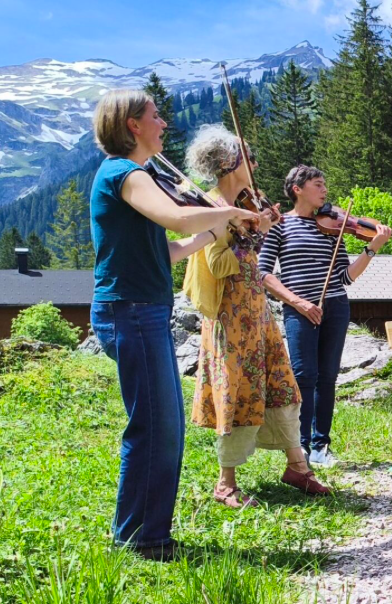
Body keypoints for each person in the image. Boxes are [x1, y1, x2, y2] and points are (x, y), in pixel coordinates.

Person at [88, 89, 259, 560]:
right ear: (132, 126)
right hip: (131, 311)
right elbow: (176, 219)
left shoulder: (135, 176)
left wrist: (218, 229)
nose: (164, 123)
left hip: (144, 310)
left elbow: (166, 250)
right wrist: (230, 211)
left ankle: (145, 534)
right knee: (155, 427)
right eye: (155, 116)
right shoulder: (124, 173)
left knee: (163, 426)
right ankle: (141, 538)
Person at [182, 125, 330, 508]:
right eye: (249, 157)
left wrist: (261, 226)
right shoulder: (213, 206)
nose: (256, 164)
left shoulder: (247, 203)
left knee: (281, 384)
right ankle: (225, 483)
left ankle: (298, 465)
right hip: (231, 318)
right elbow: (218, 263)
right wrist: (251, 232)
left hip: (258, 312)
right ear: (231, 163)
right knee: (238, 392)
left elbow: (257, 258)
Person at [258, 165, 392, 466]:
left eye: (324, 185)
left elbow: (345, 277)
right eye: (318, 185)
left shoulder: (332, 226)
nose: (325, 190)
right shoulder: (280, 226)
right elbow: (263, 273)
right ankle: (300, 445)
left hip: (336, 306)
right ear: (298, 189)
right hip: (299, 309)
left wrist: (373, 247)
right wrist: (298, 302)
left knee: (328, 377)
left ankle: (321, 445)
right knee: (304, 376)